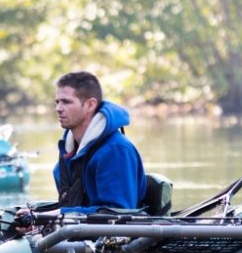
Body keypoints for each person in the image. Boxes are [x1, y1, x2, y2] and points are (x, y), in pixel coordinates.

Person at [16, 71, 146, 229]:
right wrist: (35, 217)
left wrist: (50, 217)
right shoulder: (70, 149)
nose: (58, 108)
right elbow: (73, 206)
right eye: (57, 102)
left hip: (110, 244)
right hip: (77, 236)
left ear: (90, 105)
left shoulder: (116, 151)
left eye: (66, 102)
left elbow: (117, 214)